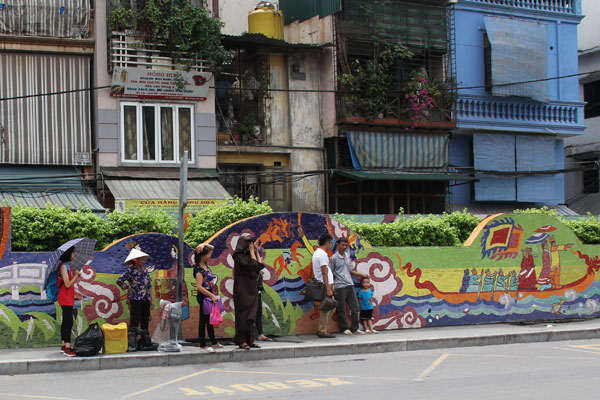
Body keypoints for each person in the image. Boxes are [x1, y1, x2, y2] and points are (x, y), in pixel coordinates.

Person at [233, 235, 267, 350]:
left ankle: (250, 340)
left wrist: (256, 253)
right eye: (250, 244)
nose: (251, 246)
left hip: (252, 289)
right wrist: (252, 252)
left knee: (251, 316)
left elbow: (260, 265)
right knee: (243, 315)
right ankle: (241, 340)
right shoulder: (239, 256)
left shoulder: (249, 256)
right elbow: (252, 265)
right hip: (243, 290)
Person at [332, 237, 367, 335]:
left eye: (345, 245)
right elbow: (331, 272)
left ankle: (355, 328)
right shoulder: (334, 258)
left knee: (355, 307)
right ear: (337, 245)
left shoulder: (347, 256)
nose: (344, 247)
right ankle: (344, 328)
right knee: (341, 308)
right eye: (342, 245)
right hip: (339, 286)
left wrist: (361, 275)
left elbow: (350, 270)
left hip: (349, 284)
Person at [194, 243, 224, 352]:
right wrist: (211, 295)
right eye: (207, 254)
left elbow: (212, 247)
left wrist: (203, 244)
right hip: (204, 297)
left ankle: (214, 342)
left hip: (209, 296)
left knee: (210, 320)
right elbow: (199, 286)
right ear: (202, 256)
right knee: (203, 321)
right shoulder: (198, 270)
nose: (209, 256)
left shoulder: (206, 266)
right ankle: (203, 345)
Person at [117, 248, 152, 334]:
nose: (143, 261)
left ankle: (145, 341)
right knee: (135, 321)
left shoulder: (144, 270)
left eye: (143, 259)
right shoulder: (130, 271)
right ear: (136, 260)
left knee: (145, 320)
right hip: (135, 299)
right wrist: (127, 288)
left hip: (146, 298)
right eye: (141, 259)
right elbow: (119, 280)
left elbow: (149, 285)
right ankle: (133, 342)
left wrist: (152, 299)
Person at [57, 247, 80, 356]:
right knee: (68, 321)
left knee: (66, 321)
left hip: (68, 296)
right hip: (65, 297)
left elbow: (68, 285)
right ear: (68, 254)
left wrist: (76, 292)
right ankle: (67, 347)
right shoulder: (63, 267)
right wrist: (75, 275)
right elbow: (67, 284)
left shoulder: (67, 266)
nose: (74, 254)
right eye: (73, 252)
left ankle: (63, 345)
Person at [313, 232, 335, 338]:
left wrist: (328, 260)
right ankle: (322, 330)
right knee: (327, 307)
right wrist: (328, 288)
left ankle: (323, 329)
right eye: (330, 243)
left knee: (331, 306)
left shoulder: (318, 253)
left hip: (324, 283)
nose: (331, 245)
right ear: (328, 243)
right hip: (326, 283)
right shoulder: (322, 254)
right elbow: (324, 272)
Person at [255, 271, 273, 342]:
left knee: (258, 314)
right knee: (249, 315)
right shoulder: (249, 263)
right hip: (250, 293)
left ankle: (260, 334)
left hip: (257, 292)